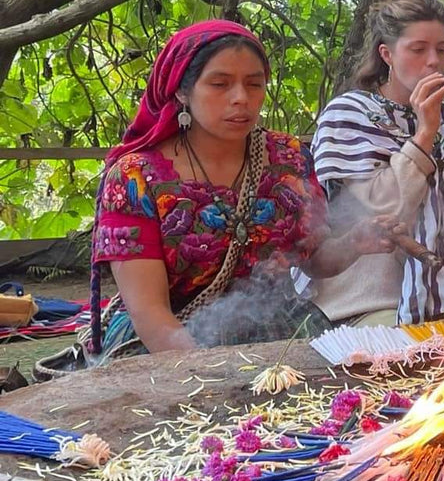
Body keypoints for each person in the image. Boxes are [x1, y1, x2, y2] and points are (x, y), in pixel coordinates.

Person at [43, 21, 392, 371]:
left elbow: (315, 261)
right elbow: (151, 312)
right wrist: (212, 378)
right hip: (166, 344)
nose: (241, 97)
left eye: (254, 84)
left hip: (282, 336)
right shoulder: (135, 178)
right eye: (219, 84)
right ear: (181, 91)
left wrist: (355, 242)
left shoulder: (290, 159)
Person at [305, 0, 444, 329]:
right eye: (418, 49)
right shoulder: (350, 113)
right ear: (387, 54)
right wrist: (424, 135)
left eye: (441, 49)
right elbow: (384, 211)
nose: (433, 62)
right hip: (374, 304)